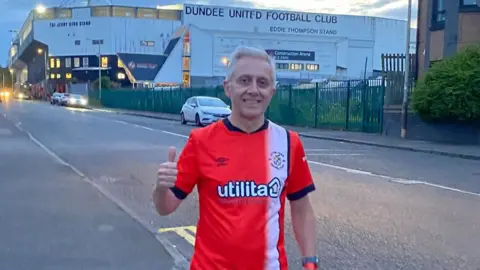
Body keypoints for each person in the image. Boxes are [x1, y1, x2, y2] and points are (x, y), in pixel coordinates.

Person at [153, 45, 318, 270]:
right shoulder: (201, 141)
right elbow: (165, 207)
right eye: (244, 81)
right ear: (227, 88)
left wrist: (310, 260)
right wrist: (161, 188)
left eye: (262, 82)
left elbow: (301, 208)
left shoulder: (289, 143)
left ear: (272, 91)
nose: (253, 90)